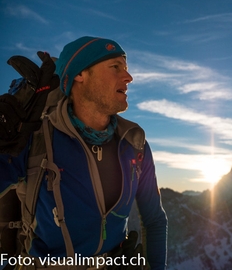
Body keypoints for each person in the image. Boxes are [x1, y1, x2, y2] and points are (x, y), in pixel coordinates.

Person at [0, 37, 167, 270]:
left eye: (126, 69)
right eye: (115, 67)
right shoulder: (34, 138)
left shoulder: (134, 144)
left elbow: (155, 219)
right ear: (80, 75)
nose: (128, 78)